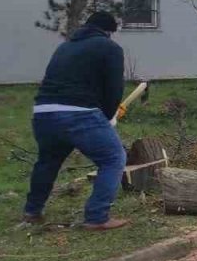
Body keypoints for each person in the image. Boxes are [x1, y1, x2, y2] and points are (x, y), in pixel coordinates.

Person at [24, 12, 129, 230]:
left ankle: (32, 211)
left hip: (44, 111)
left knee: (48, 161)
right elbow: (113, 88)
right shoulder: (110, 48)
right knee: (113, 158)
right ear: (109, 31)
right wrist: (109, 116)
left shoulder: (65, 47)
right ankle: (97, 217)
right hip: (78, 113)